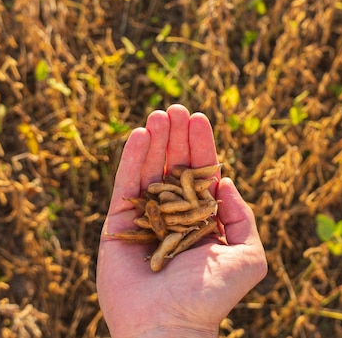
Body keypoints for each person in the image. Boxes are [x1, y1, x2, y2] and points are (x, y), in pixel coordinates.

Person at [97, 104, 268, 338]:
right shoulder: (168, 204)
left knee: (178, 192)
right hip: (177, 221)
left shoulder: (185, 202)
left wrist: (176, 325)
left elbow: (178, 203)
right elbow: (168, 203)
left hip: (182, 222)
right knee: (172, 195)